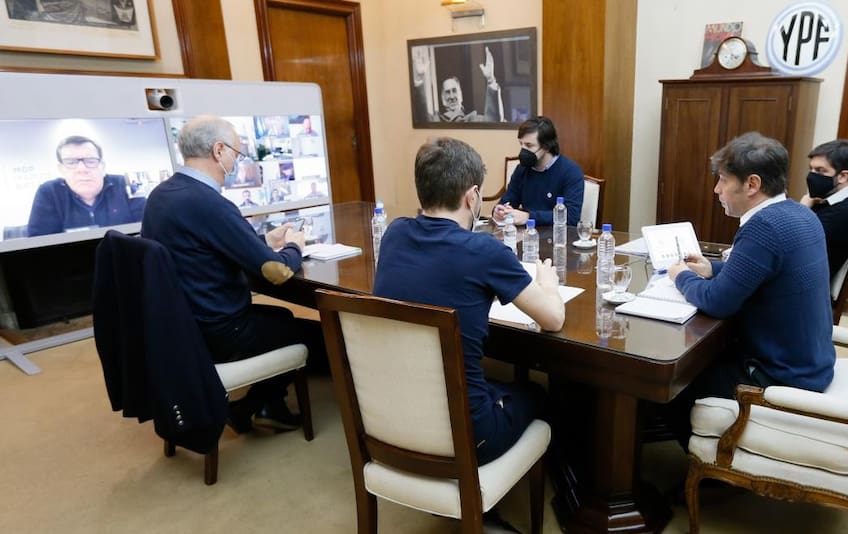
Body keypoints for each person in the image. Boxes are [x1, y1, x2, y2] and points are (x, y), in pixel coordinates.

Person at [373, 137, 564, 466]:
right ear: (472, 196)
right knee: (536, 393)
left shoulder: (394, 233)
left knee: (489, 383)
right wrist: (548, 283)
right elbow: (553, 320)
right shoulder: (485, 251)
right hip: (469, 435)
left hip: (392, 416)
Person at [141, 115, 327, 434]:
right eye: (237, 155)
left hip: (184, 324)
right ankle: (256, 406)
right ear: (219, 151)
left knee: (279, 318)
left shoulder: (163, 195)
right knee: (314, 333)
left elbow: (207, 246)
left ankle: (268, 403)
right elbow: (277, 271)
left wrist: (266, 241)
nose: (236, 162)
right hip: (222, 331)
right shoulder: (208, 202)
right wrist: (294, 246)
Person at [663, 132, 835, 448]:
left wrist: (680, 276)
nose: (717, 190)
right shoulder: (799, 214)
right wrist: (710, 269)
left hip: (782, 376)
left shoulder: (763, 227)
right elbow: (765, 273)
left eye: (723, 181)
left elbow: (717, 302)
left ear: (752, 185)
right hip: (812, 360)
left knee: (670, 384)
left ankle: (715, 467)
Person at [27, 135, 145, 237]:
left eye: (90, 161)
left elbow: (147, 230)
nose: (82, 169)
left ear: (102, 166)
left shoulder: (129, 183)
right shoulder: (48, 193)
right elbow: (39, 244)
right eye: (71, 162)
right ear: (61, 169)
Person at [493, 116, 584, 226]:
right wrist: (499, 211)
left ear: (546, 146)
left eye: (529, 145)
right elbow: (508, 200)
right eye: (521, 144)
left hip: (558, 237)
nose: (523, 150)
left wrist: (528, 217)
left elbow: (572, 217)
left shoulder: (571, 172)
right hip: (526, 235)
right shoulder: (521, 169)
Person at [799, 139, 848, 281]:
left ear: (842, 176)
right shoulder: (825, 200)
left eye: (820, 171)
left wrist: (802, 209)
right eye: (811, 169)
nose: (812, 176)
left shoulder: (847, 213)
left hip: (807, 288)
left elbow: (793, 242)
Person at [411, 46, 503, 123]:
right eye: (447, 92)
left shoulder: (474, 119)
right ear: (443, 99)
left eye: (454, 91)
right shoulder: (436, 120)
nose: (452, 96)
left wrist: (491, 80)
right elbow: (421, 118)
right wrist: (419, 79)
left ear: (461, 95)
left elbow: (494, 120)